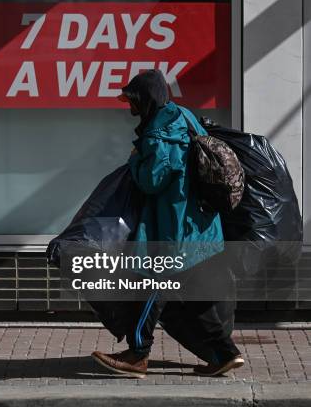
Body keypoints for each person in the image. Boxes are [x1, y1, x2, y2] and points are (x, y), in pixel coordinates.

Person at [90, 69, 244, 378]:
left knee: (152, 288)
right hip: (199, 226)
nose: (130, 107)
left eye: (133, 101)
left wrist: (135, 158)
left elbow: (152, 181)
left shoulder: (160, 133)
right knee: (192, 300)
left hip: (175, 229)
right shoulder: (183, 116)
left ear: (147, 100)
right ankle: (225, 354)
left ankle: (137, 354)